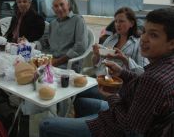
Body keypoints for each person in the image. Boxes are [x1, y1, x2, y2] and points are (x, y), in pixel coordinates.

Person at [39, 8, 174, 137]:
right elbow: (98, 65)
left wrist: (111, 96)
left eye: (154, 35)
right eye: (144, 31)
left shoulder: (146, 64)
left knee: (46, 124)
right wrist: (118, 69)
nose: (144, 38)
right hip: (117, 90)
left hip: (116, 121)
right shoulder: (112, 39)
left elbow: (130, 128)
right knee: (80, 100)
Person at [92, 7, 149, 75]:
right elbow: (96, 64)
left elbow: (143, 71)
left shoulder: (139, 43)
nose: (118, 24)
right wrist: (96, 55)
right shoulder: (111, 39)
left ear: (131, 23)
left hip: (124, 82)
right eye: (116, 21)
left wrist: (125, 59)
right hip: (103, 79)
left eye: (121, 21)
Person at [48, 0, 88, 71]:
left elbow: (80, 47)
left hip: (69, 64)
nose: (59, 8)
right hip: (53, 62)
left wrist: (57, 62)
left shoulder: (78, 20)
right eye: (56, 6)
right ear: (53, 9)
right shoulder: (53, 24)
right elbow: (46, 41)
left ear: (68, 5)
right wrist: (29, 44)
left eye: (62, 4)